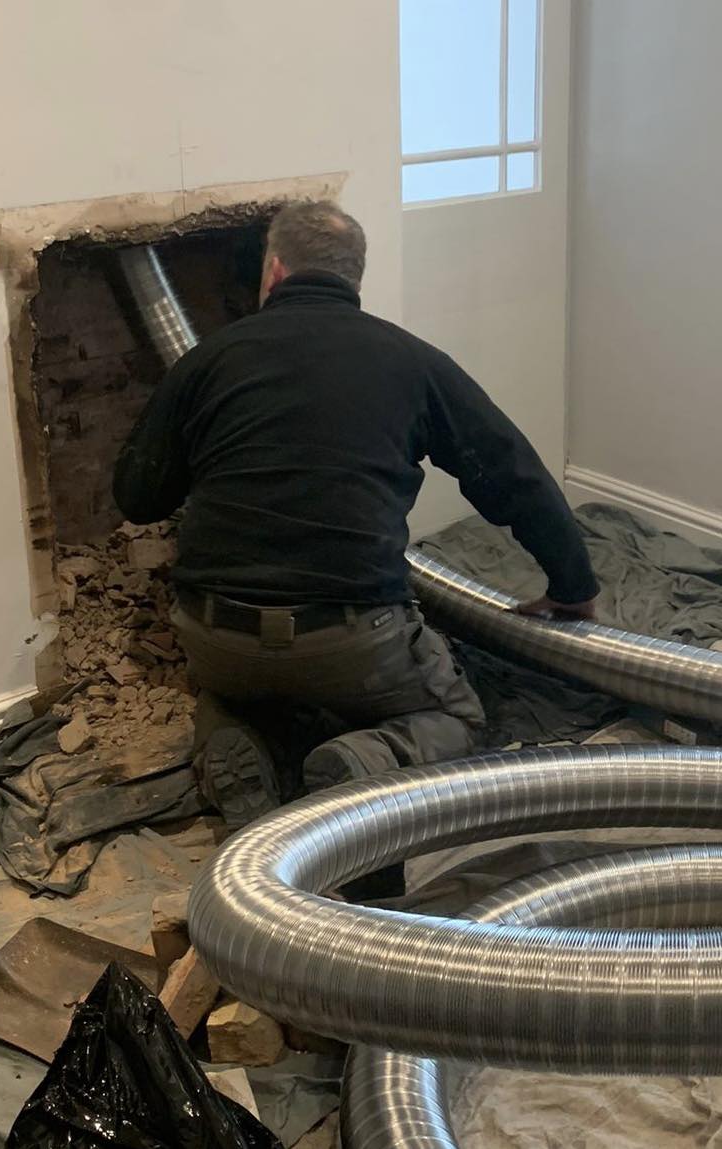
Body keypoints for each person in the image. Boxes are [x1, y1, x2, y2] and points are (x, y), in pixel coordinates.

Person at [113, 200, 598, 831]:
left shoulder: (205, 361)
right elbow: (512, 475)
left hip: (217, 637)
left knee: (233, 690)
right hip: (351, 642)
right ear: (354, 277)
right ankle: (366, 762)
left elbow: (137, 498)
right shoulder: (412, 361)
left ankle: (230, 739)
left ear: (275, 271)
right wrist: (573, 585)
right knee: (458, 718)